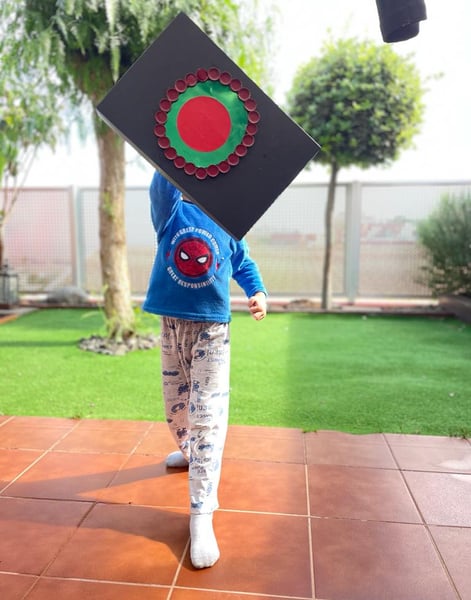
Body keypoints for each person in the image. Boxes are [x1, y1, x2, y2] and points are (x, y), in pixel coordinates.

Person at [143, 171, 267, 569]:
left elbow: (243, 261)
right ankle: (190, 451)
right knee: (176, 409)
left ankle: (201, 513)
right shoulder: (173, 212)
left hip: (212, 331)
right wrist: (174, 154)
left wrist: (257, 292)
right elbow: (161, 184)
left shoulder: (230, 221)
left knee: (206, 416)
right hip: (172, 326)